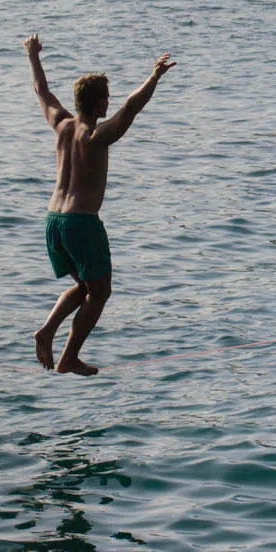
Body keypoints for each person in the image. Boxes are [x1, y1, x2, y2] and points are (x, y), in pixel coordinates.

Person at [23, 36, 176, 376]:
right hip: (81, 223)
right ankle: (68, 356)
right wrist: (154, 77)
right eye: (106, 98)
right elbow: (131, 108)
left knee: (85, 287)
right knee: (101, 290)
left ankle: (47, 331)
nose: (111, 102)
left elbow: (41, 92)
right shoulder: (95, 137)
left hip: (53, 221)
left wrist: (32, 55)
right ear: (97, 105)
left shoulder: (61, 125)